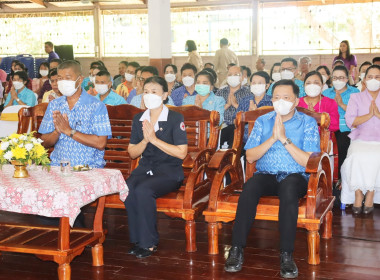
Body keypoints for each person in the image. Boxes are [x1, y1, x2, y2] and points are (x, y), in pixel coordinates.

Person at [224, 79, 320, 278]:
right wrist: (273, 138)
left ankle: (286, 254)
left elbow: (309, 161)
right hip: (266, 175)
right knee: (250, 188)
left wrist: (284, 139)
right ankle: (236, 250)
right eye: (276, 97)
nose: (280, 101)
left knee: (288, 190)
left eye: (286, 98)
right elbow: (250, 156)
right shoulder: (263, 120)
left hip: (295, 176)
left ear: (296, 101)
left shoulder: (307, 123)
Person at [125, 76, 188, 258]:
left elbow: (181, 153)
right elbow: (132, 152)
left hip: (169, 171)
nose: (149, 95)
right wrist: (145, 140)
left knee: (144, 190)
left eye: (154, 92)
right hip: (145, 168)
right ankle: (137, 240)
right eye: (146, 92)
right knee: (128, 188)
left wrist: (154, 140)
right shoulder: (139, 118)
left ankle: (149, 243)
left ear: (165, 95)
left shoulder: (175, 118)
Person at [38, 60, 112, 167]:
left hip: (88, 167)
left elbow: (100, 143)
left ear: (80, 79)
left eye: (68, 78)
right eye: (60, 78)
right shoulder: (54, 105)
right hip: (58, 167)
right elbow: (43, 143)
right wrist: (57, 132)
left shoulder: (96, 106)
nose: (63, 82)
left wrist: (69, 131)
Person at [341, 65, 380, 214]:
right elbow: (350, 121)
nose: (373, 80)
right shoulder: (355, 97)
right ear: (364, 80)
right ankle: (358, 192)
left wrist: (377, 114)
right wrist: (369, 115)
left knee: (377, 157)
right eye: (370, 77)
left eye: (377, 77)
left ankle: (370, 193)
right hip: (360, 139)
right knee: (356, 157)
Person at [323, 65, 360, 186]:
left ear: (347, 79)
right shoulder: (326, 92)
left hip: (347, 128)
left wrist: (341, 104)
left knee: (342, 141)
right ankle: (326, 178)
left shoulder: (354, 92)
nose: (338, 80)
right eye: (335, 78)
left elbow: (358, 113)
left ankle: (340, 178)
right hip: (328, 127)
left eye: (341, 77)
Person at [216, 66, 251, 148]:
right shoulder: (220, 93)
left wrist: (236, 105)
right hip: (222, 127)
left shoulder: (248, 93)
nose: (233, 77)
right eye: (230, 75)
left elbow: (249, 115)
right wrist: (227, 105)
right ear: (226, 78)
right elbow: (215, 113)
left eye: (236, 74)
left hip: (240, 128)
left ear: (242, 78)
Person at [238, 71, 273, 143]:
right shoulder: (245, 100)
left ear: (267, 86)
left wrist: (255, 114)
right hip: (244, 139)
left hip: (266, 138)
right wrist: (247, 115)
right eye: (253, 83)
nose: (256, 85)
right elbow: (235, 120)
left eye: (260, 83)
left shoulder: (272, 102)